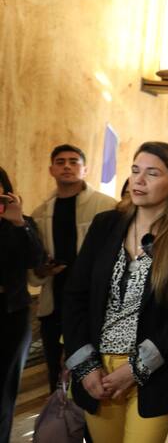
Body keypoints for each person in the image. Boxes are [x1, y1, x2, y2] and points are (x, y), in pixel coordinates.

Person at [62, 142, 168, 443]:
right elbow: (75, 296)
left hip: (156, 371)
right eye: (135, 171)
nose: (138, 180)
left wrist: (136, 369)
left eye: (152, 173)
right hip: (98, 370)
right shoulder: (105, 225)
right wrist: (85, 367)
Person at [30, 144, 117, 392]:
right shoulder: (40, 213)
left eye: (73, 161)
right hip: (55, 301)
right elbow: (34, 265)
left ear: (85, 169)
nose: (67, 166)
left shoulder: (106, 206)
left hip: (93, 303)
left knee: (92, 369)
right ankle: (59, 415)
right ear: (51, 169)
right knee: (55, 372)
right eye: (60, 162)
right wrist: (43, 269)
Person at [0, 167, 44, 443]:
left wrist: (18, 223)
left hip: (11, 313)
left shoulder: (21, 223)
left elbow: (37, 260)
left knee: (4, 390)